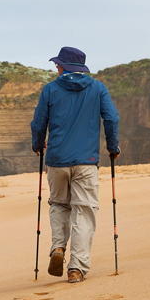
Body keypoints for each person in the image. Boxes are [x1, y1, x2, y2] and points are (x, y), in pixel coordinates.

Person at [30, 46, 120, 283]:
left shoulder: (50, 89)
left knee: (59, 204)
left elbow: (38, 122)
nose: (56, 67)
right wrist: (113, 147)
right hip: (86, 161)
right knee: (84, 210)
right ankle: (77, 268)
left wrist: (37, 144)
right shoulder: (98, 88)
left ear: (64, 66)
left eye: (58, 64)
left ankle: (58, 246)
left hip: (57, 159)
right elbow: (111, 118)